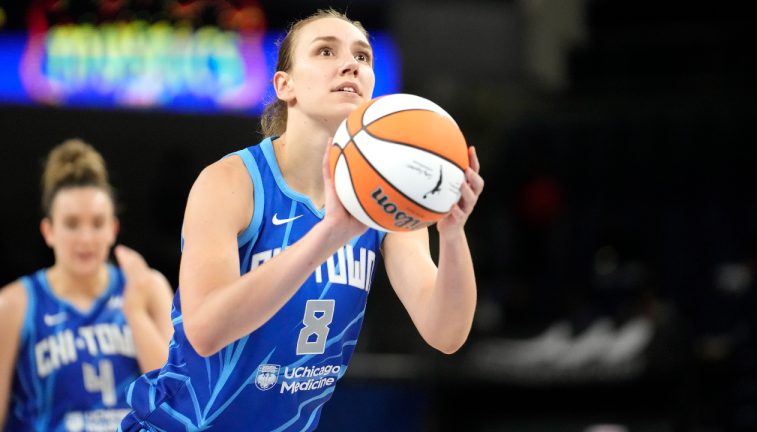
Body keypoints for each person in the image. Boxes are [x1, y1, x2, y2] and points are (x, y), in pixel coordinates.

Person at [119, 8, 484, 432]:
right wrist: (329, 235)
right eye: (325, 51)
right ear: (285, 85)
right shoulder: (232, 182)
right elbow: (205, 330)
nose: (350, 63)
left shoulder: (387, 199)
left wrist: (453, 232)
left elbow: (446, 332)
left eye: (362, 57)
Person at [0, 139, 174, 431]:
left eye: (97, 223)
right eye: (71, 223)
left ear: (113, 229)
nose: (85, 238)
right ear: (49, 231)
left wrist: (135, 312)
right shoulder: (14, 304)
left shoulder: (147, 286)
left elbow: (173, 404)